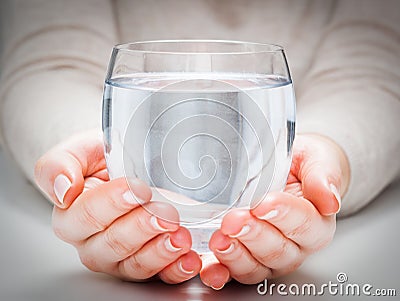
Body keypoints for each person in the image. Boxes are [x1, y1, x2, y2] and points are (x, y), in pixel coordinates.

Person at [0, 0, 399, 290]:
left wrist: (332, 154)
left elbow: (374, 64)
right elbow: (49, 61)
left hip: (272, 182)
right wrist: (94, 159)